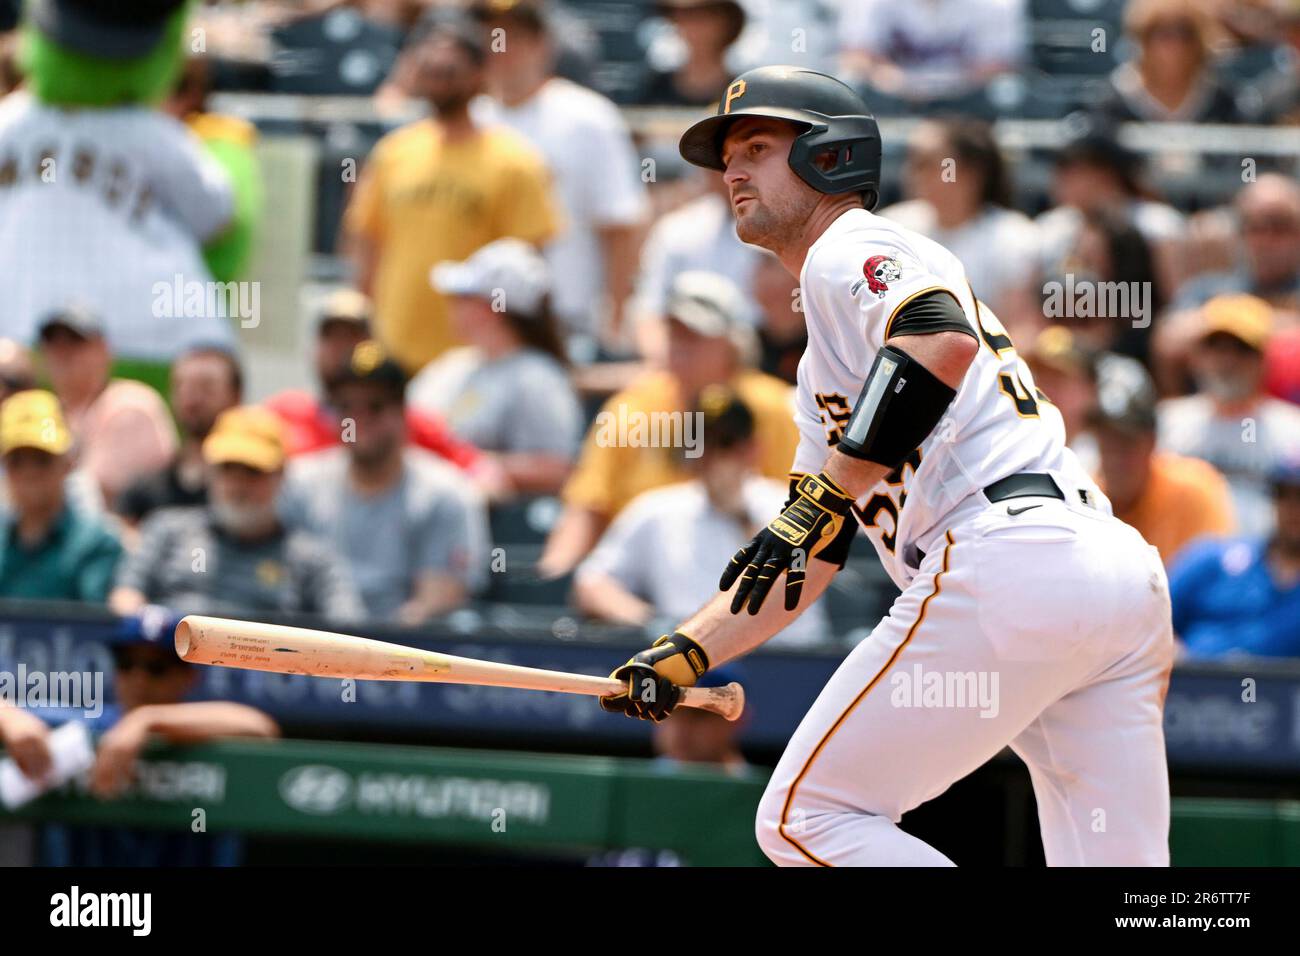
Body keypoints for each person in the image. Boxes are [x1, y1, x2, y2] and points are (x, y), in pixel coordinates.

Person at [601, 67, 1174, 867]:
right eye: (727, 156)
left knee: (808, 816)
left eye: (757, 148)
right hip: (1104, 574)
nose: (732, 170)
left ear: (829, 158)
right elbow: (813, 549)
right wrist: (688, 648)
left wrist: (824, 496)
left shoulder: (847, 244)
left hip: (1009, 559)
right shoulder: (821, 368)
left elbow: (938, 336)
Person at [540, 270, 798, 577]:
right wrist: (551, 577)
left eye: (696, 335)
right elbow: (588, 506)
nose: (681, 345)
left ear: (732, 344)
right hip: (638, 579)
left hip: (744, 572)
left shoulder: (772, 406)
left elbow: (794, 511)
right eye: (675, 331)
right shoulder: (632, 406)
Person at [343, 11, 561, 372]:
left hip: (474, 360)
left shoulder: (515, 161)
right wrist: (361, 323)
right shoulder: (394, 152)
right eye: (431, 71)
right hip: (395, 350)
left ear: (478, 75)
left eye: (449, 72)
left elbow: (526, 269)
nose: (438, 80)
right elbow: (368, 245)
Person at [0, 609, 279, 866]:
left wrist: (148, 720)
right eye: (126, 664)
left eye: (156, 668)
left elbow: (260, 727)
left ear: (188, 677)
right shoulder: (91, 724)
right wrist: (10, 718)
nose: (138, 679)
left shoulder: (206, 732)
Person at [575, 386, 827, 646]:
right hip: (688, 659)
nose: (713, 457)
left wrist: (741, 516)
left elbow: (799, 586)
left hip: (784, 656)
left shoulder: (791, 505)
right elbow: (592, 583)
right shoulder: (656, 510)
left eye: (726, 443)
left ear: (753, 448)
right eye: (702, 442)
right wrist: (652, 623)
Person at [472, 0, 648, 351]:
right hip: (484, 320)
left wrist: (613, 316)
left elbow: (621, 225)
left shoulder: (587, 117)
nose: (501, 48)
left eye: (513, 37)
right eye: (492, 37)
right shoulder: (471, 119)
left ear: (542, 44)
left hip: (567, 318)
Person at [280, 340, 491, 624]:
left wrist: (366, 655)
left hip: (403, 652)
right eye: (346, 407)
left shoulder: (445, 493)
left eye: (375, 407)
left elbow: (439, 598)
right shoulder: (299, 483)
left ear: (403, 413)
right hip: (307, 649)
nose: (359, 419)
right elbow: (277, 581)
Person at [109, 406, 363, 621]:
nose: (238, 485)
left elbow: (349, 628)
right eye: (228, 469)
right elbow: (125, 597)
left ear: (281, 475)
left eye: (253, 471)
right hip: (171, 669)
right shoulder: (166, 529)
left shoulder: (313, 561)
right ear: (210, 470)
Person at [409, 239, 583, 497]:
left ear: (494, 308)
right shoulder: (451, 366)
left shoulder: (538, 378)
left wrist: (465, 462)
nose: (453, 305)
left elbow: (558, 469)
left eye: (465, 296)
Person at [262, 287, 488, 476]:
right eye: (331, 337)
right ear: (315, 347)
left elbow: (479, 469)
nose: (342, 348)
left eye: (352, 336)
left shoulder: (407, 421)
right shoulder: (283, 414)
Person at [1157, 294, 1300, 537]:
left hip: (1261, 564)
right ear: (1197, 357)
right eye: (1216, 349)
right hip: (1180, 560)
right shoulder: (1166, 422)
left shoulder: (1292, 430)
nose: (1227, 362)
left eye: (1241, 350)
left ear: (1263, 359)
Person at [879, 119, 1039, 330]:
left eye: (926, 163)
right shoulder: (891, 227)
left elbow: (1021, 330)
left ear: (970, 173)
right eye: (912, 163)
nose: (912, 173)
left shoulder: (1014, 237)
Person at [1089, 362, 1236, 566]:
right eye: (1108, 440)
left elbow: (1216, 577)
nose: (1116, 456)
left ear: (1151, 442)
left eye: (1126, 441)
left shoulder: (1193, 489)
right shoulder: (1087, 497)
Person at [36, 307, 178, 505]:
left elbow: (95, 492)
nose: (63, 354)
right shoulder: (46, 412)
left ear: (104, 351)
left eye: (75, 343)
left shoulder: (131, 404)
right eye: (53, 344)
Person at [1168, 456, 1300, 659]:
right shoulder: (1214, 559)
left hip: (1279, 688)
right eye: (1285, 495)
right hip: (1192, 684)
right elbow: (1151, 620)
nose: (1294, 508)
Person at [0, 390, 121, 602]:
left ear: (67, 463)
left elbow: (91, 625)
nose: (29, 472)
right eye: (16, 460)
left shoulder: (97, 544)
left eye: (42, 459)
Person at [115, 344, 243, 526]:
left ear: (236, 396)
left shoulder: (253, 489)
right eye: (183, 386)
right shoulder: (145, 488)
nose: (193, 398)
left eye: (207, 387)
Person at [837, 0, 1025, 110]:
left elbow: (999, 65)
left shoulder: (997, 4)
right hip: (892, 104)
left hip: (968, 106)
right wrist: (891, 78)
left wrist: (935, 86)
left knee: (1006, 93)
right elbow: (856, 56)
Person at [1092, 0, 1243, 124]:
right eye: (1163, 33)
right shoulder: (1112, 103)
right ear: (1143, 39)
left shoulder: (1224, 102)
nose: (1175, 46)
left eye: (1185, 33)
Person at [637, 0, 747, 107]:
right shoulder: (657, 88)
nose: (693, 27)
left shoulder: (741, 90)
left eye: (703, 16)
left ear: (726, 22)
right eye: (685, 16)